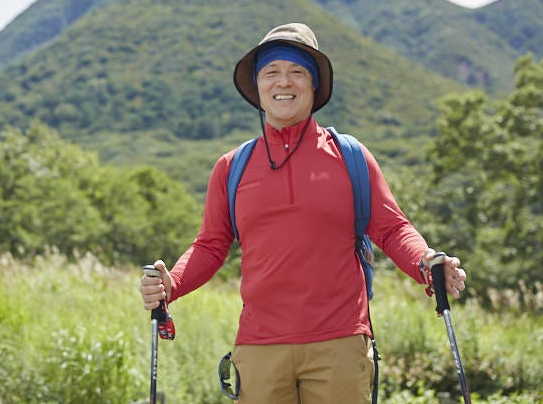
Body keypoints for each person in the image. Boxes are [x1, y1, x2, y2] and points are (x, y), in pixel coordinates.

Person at [139, 22, 467, 403]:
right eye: (271, 72)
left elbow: (393, 229)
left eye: (297, 71)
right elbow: (211, 245)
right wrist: (171, 284)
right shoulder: (231, 167)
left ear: (314, 86)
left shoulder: (351, 157)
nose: (284, 82)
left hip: (341, 342)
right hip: (260, 347)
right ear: (258, 87)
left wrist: (426, 262)